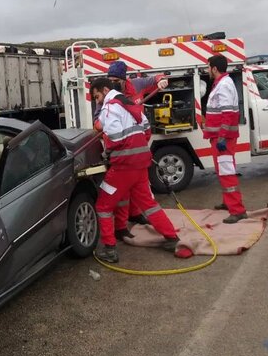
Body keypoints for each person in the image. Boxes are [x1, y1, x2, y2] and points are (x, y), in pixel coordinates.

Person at [90, 77, 193, 263]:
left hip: (123, 167)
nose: (97, 101)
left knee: (103, 206)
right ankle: (171, 238)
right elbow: (147, 130)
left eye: (97, 96)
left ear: (105, 90)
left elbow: (114, 137)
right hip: (140, 164)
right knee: (148, 204)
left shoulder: (110, 107)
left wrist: (103, 134)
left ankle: (110, 250)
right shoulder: (132, 104)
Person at [102, 61, 169, 231]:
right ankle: (122, 223)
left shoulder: (137, 84)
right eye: (110, 79)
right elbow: (99, 120)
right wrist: (100, 123)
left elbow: (156, 78)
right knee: (124, 192)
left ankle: (136, 213)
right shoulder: (107, 97)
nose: (113, 83)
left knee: (139, 189)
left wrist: (162, 80)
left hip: (138, 147)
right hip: (121, 151)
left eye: (116, 79)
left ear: (125, 79)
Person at [203, 54, 247, 224]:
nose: (207, 70)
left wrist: (221, 137)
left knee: (227, 172)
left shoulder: (224, 85)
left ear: (214, 68)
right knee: (223, 171)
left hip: (224, 139)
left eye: (208, 67)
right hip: (220, 137)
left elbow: (228, 114)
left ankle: (238, 210)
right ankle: (228, 202)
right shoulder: (221, 84)